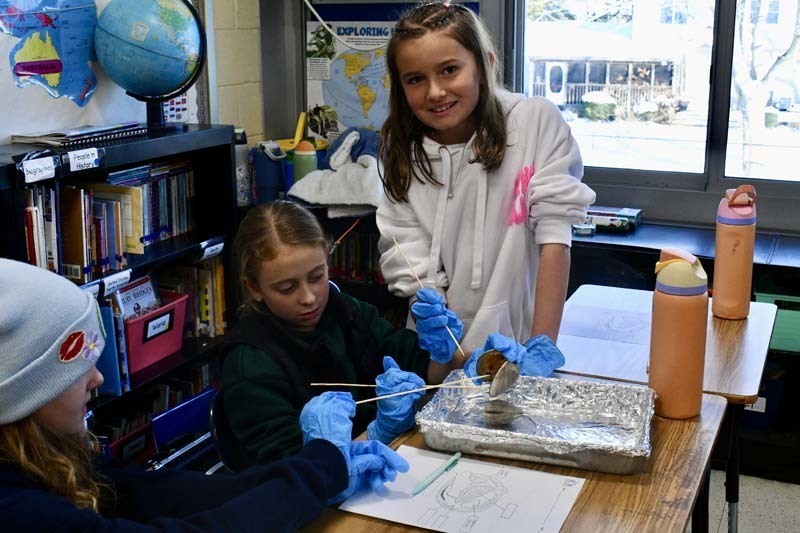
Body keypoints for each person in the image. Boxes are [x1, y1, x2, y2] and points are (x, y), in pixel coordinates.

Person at [0, 258, 406, 531]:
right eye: (77, 369)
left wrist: (316, 466)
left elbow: (158, 493)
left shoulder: (49, 456)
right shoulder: (15, 508)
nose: (98, 379)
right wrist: (316, 472)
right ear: (23, 391)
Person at [376, 2, 596, 357]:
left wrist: (542, 346)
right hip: (438, 356)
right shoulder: (402, 152)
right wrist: (443, 352)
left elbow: (555, 239)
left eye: (449, 70)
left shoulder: (534, 124)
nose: (435, 92)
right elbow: (409, 260)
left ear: (484, 65)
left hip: (519, 349)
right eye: (415, 79)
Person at [218, 201, 466, 469]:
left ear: (327, 257)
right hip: (317, 486)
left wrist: (447, 355)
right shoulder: (250, 363)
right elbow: (293, 474)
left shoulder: (345, 311)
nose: (309, 298)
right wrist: (377, 433)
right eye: (287, 288)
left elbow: (424, 369)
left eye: (317, 276)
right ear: (254, 288)